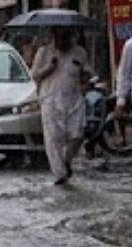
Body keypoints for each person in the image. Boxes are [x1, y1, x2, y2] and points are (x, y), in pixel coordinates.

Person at [31, 26, 91, 186]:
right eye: (58, 37)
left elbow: (87, 72)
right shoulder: (44, 52)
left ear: (71, 37)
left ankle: (65, 161)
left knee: (77, 135)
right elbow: (35, 76)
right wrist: (49, 68)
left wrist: (87, 76)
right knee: (53, 138)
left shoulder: (79, 52)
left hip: (74, 99)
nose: (61, 41)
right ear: (53, 37)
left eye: (65, 37)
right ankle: (60, 175)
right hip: (50, 100)